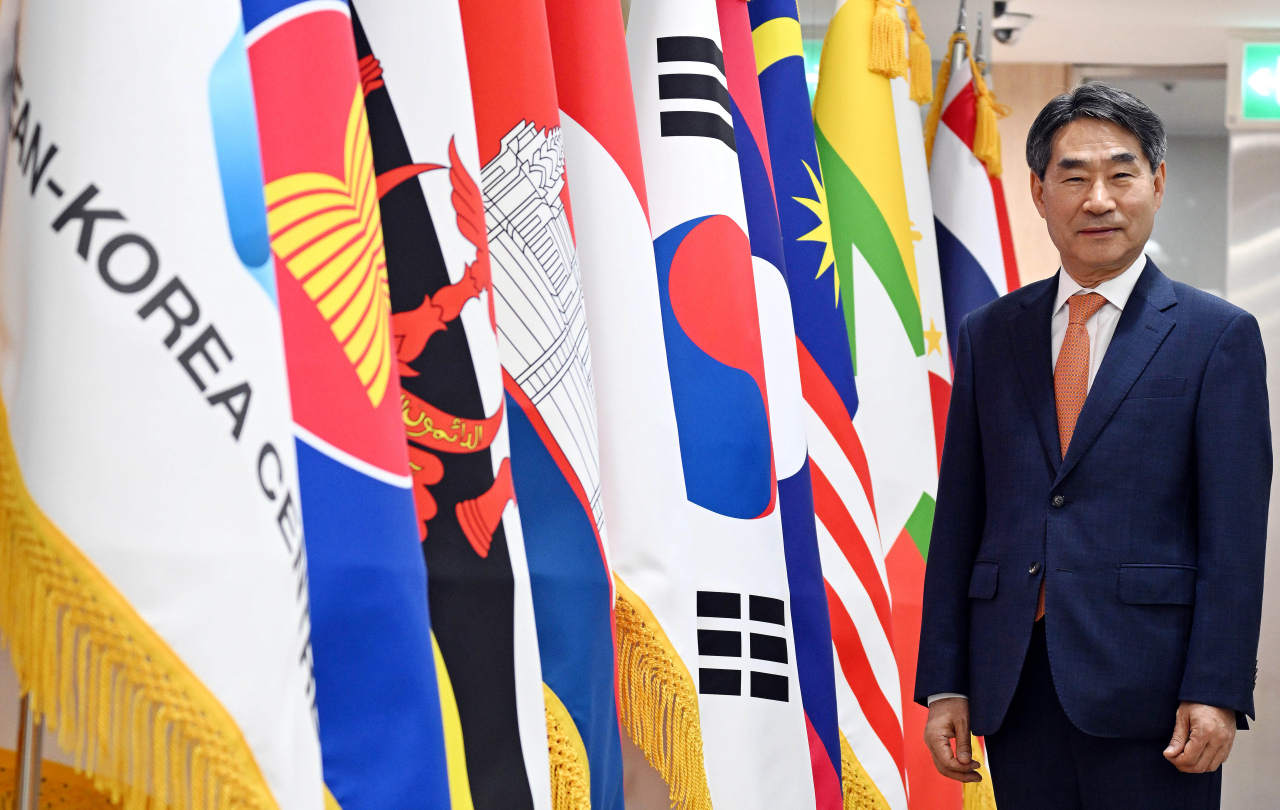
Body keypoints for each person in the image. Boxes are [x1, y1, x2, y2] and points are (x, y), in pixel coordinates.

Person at [914, 83, 1271, 810]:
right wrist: (946, 679)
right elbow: (961, 516)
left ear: (1158, 183)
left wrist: (1217, 689)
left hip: (1154, 690)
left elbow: (1233, 536)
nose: (1098, 198)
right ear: (1040, 192)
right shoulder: (991, 332)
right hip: (1013, 678)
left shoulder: (1217, 337)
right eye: (1074, 177)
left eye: (1121, 173)